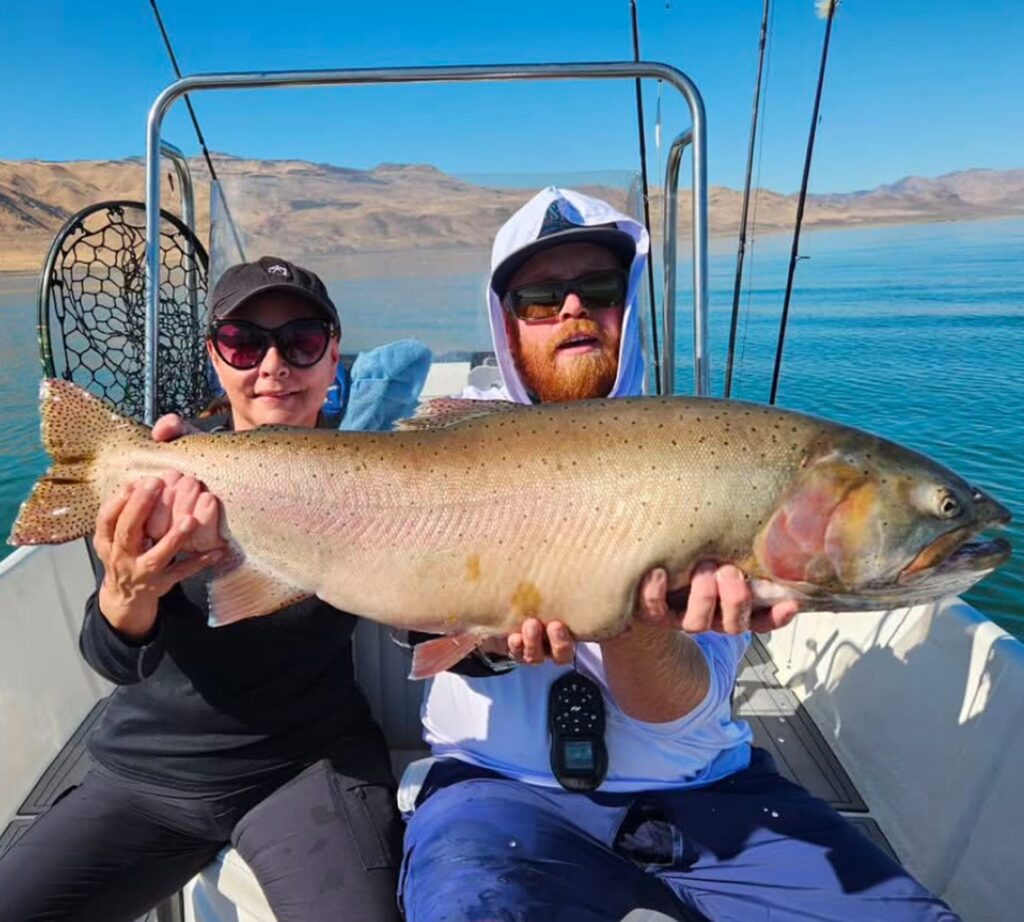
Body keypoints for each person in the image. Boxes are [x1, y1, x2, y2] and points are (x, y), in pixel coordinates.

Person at [399, 188, 961, 921]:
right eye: (540, 298)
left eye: (596, 290)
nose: (572, 309)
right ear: (508, 325)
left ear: (624, 309)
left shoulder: (710, 462)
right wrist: (491, 645)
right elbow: (407, 620)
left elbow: (677, 713)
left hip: (707, 791)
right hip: (494, 795)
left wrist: (635, 622)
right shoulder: (443, 460)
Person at [0, 257, 405, 922]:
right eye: (245, 343)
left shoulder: (379, 476)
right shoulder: (163, 480)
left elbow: (420, 613)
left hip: (308, 766)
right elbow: (110, 658)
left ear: (334, 356)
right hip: (146, 772)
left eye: (301, 341)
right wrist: (128, 591)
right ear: (216, 358)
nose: (272, 364)